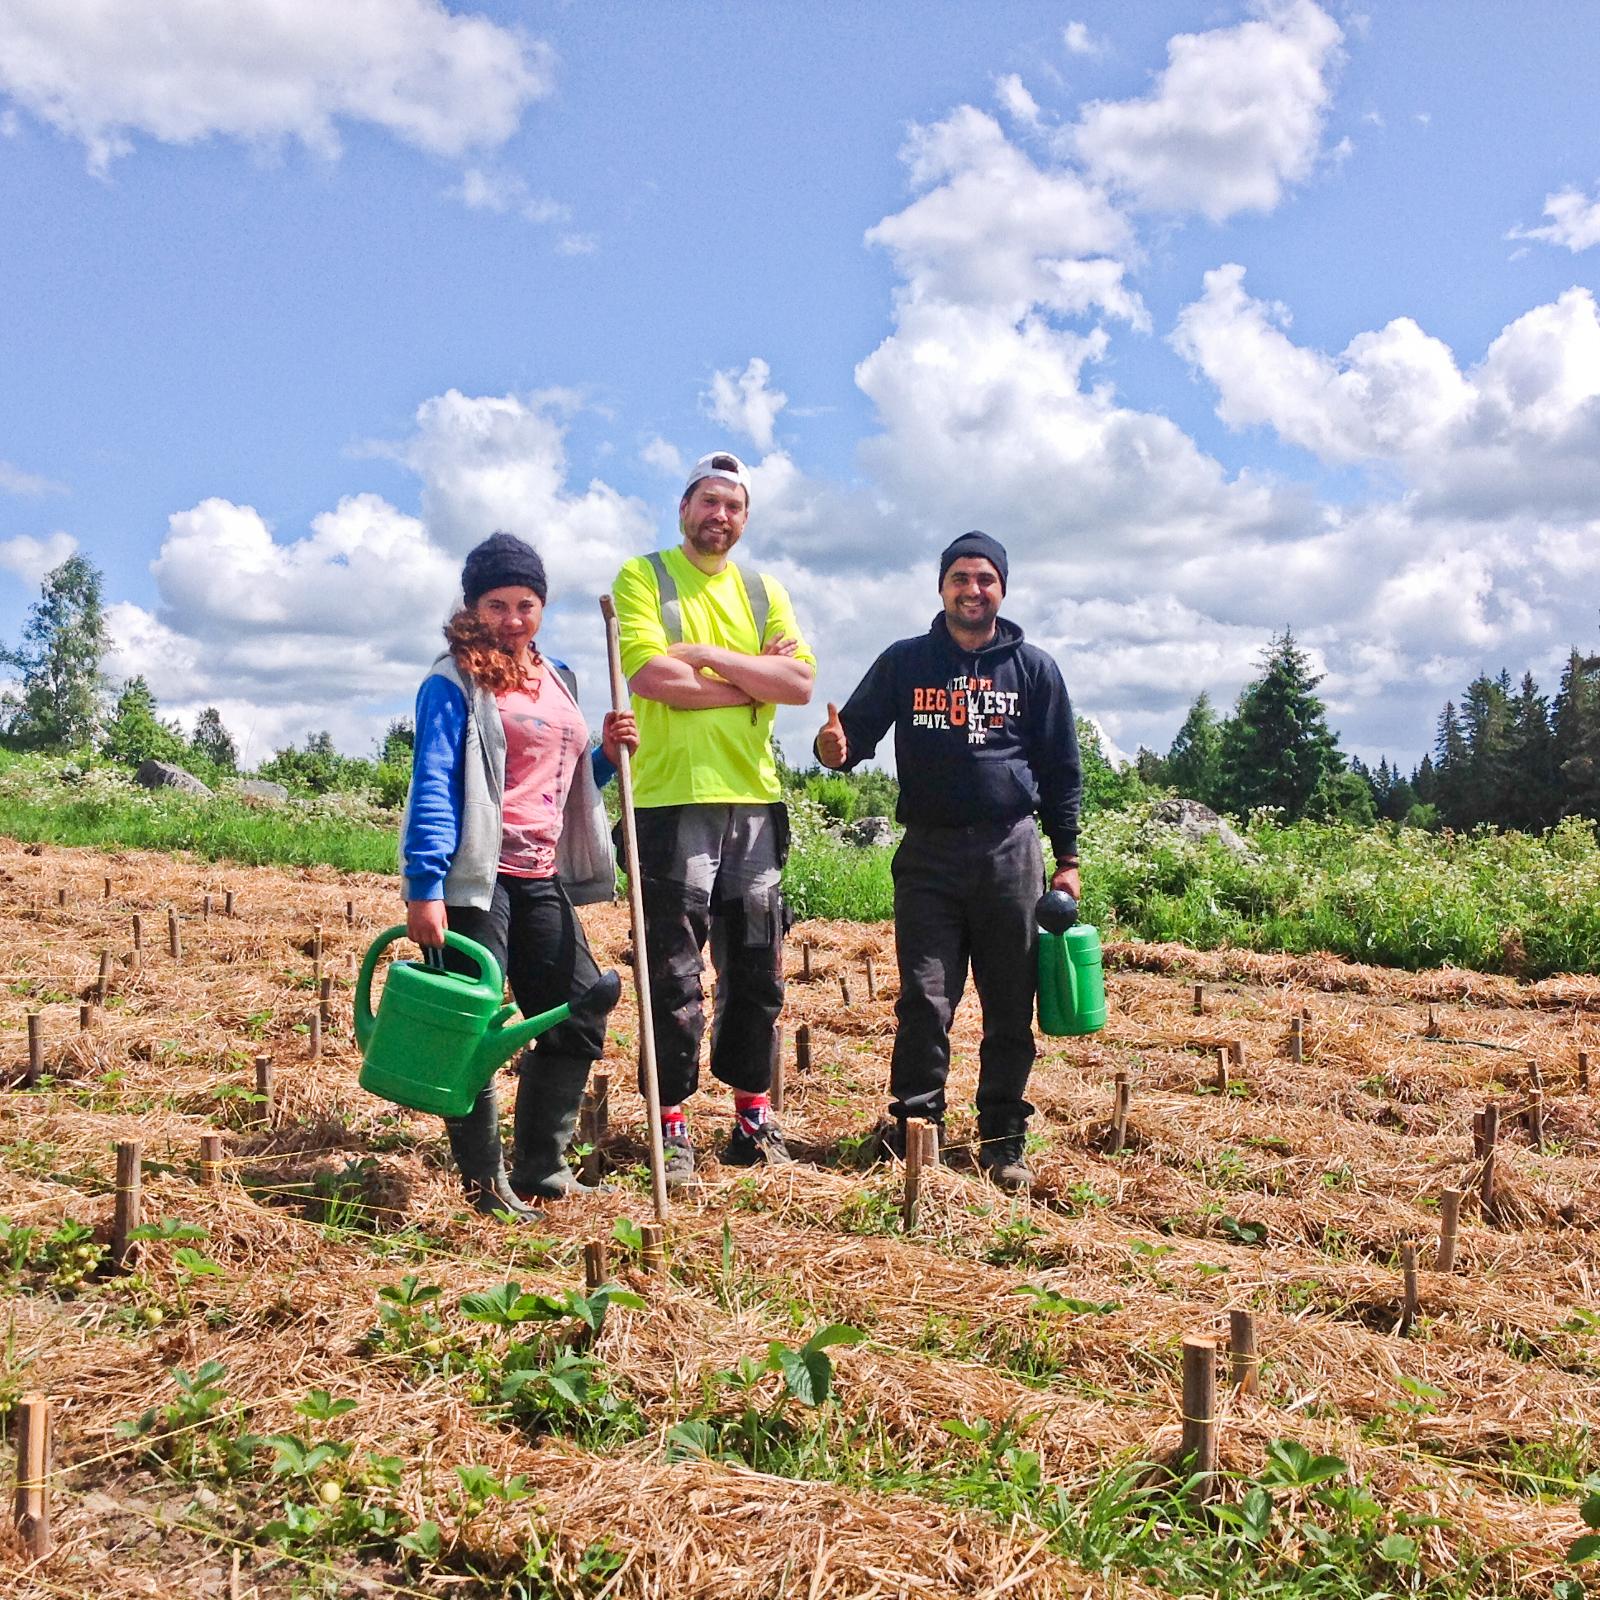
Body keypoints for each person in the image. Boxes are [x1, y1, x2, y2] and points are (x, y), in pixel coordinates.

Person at [814, 531, 1081, 1192]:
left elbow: (1062, 770)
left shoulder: (1036, 671)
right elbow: (849, 740)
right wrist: (830, 748)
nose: (972, 589)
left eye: (985, 579)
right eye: (960, 577)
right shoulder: (906, 662)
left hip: (1010, 853)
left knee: (1010, 1005)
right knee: (926, 1001)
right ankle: (915, 1129)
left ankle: (1002, 1138)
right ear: (942, 588)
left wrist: (1067, 858)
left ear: (1002, 590)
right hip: (929, 854)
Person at [400, 532, 637, 1217]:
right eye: (497, 604)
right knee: (469, 1027)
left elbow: (561, 783)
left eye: (525, 604)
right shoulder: (453, 680)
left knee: (581, 1005)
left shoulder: (558, 674)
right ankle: (484, 1185)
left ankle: (543, 1166)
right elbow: (435, 783)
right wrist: (425, 886)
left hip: (541, 871)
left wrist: (605, 755)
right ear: (473, 605)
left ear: (542, 606)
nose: (512, 618)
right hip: (476, 875)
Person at [611, 451, 815, 1184]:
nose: (719, 515)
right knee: (672, 970)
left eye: (733, 505)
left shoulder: (763, 590)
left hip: (754, 802)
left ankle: (752, 1117)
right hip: (670, 800)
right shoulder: (644, 577)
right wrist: (749, 679)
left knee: (757, 963)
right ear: (683, 508)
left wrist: (706, 658)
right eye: (707, 501)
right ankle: (671, 1125)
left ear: (745, 517)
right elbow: (652, 677)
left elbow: (798, 682)